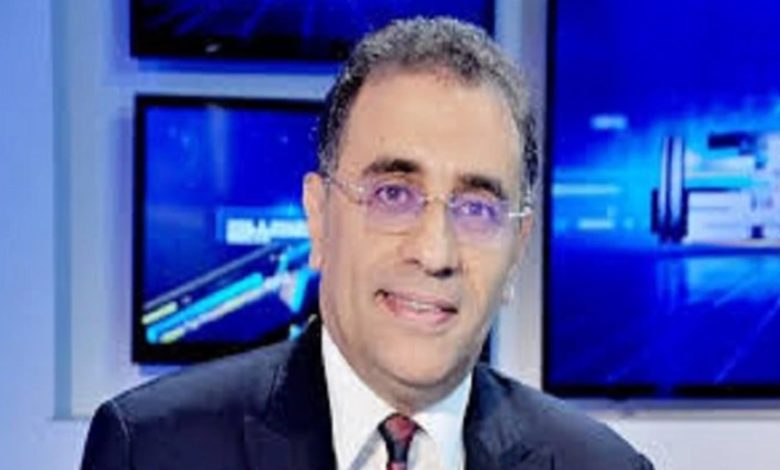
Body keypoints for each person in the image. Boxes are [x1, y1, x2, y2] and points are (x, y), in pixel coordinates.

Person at [81, 17, 654, 470]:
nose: (435, 253)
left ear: (517, 249)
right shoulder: (152, 449)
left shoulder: (603, 466)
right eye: (393, 195)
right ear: (319, 218)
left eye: (476, 208)